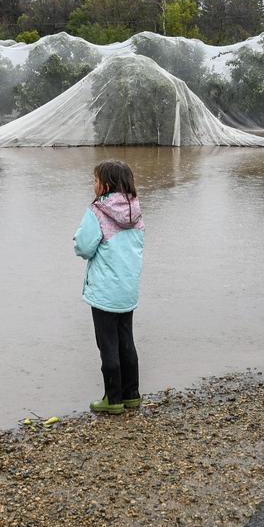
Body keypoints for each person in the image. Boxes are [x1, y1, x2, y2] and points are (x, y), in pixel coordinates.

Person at [73, 159, 145, 415]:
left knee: (107, 345)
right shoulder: (135, 210)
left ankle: (112, 399)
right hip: (128, 289)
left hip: (105, 291)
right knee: (127, 341)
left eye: (96, 180)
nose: (94, 185)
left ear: (106, 184)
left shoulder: (98, 211)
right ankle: (132, 395)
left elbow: (83, 247)